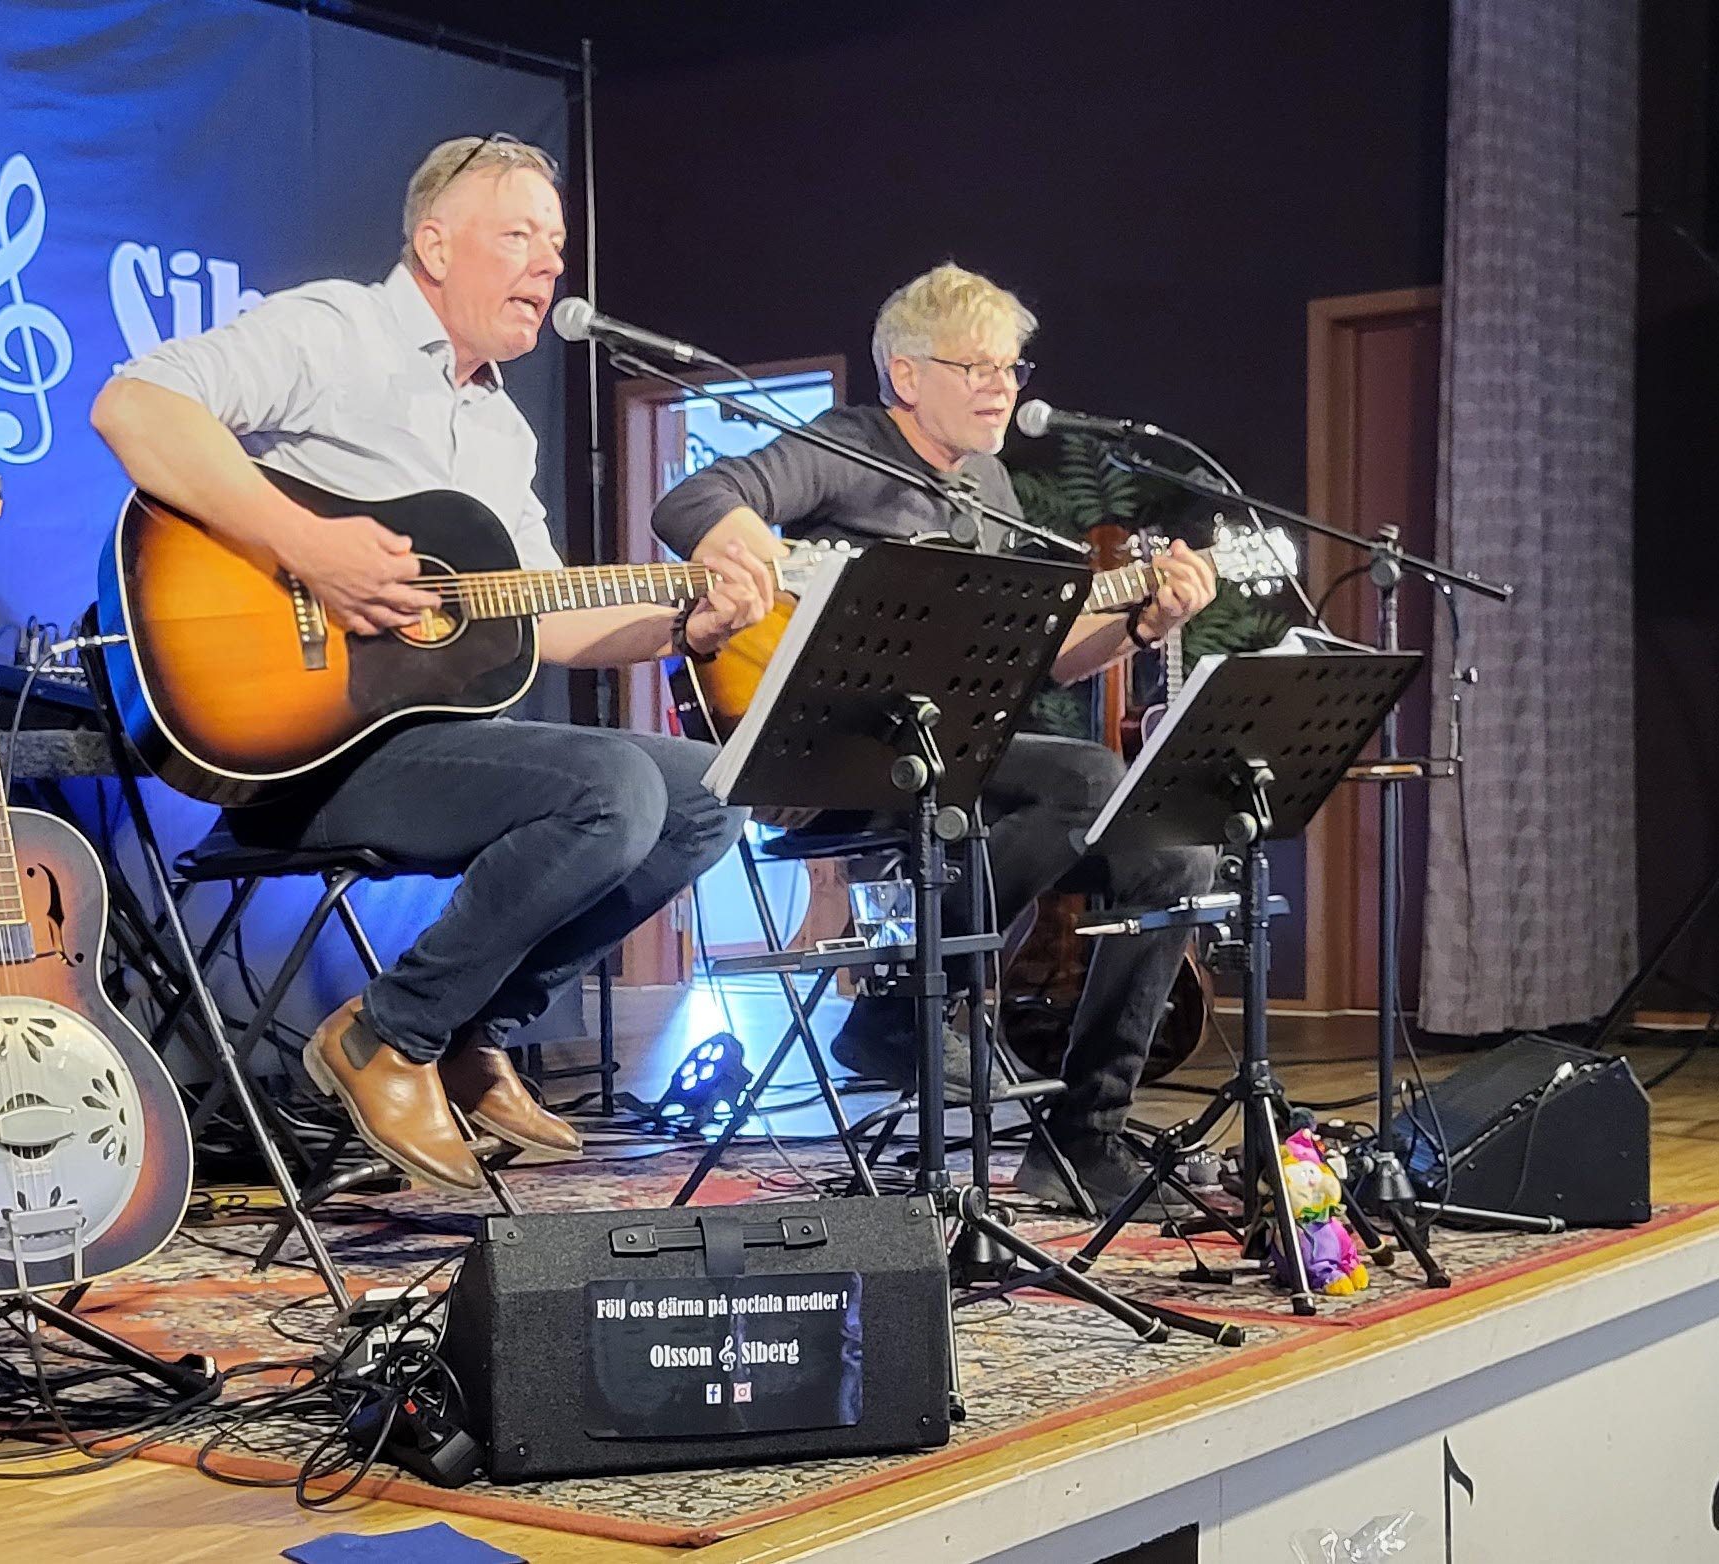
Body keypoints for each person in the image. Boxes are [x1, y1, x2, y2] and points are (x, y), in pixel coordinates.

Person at [91, 135, 766, 1194]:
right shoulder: (335, 330)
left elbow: (547, 616)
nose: (551, 263)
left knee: (712, 790)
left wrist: (690, 620)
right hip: (305, 757)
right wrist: (305, 545)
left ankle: (466, 1027)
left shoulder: (499, 428)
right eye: (521, 235)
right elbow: (134, 406)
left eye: (556, 243)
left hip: (436, 751)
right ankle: (385, 1034)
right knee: (614, 786)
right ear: (436, 246)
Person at [649, 263, 1219, 1218]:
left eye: (1012, 369)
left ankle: (1083, 1139)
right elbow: (692, 501)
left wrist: (1138, 620)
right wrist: (774, 574)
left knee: (1176, 846)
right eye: (977, 367)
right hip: (825, 751)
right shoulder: (843, 448)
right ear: (907, 376)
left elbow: (1045, 658)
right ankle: (896, 1003)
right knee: (1084, 776)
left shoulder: (986, 484)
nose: (1002, 388)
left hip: (949, 756)